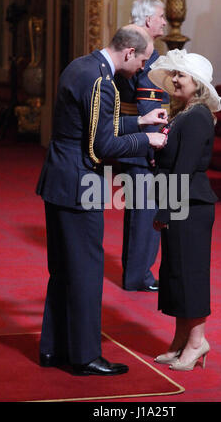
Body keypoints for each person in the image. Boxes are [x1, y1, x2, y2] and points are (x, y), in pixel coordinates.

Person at [36, 25, 168, 377]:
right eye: (142, 60)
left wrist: (140, 120)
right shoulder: (102, 82)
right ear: (128, 53)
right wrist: (148, 141)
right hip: (79, 185)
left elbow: (92, 126)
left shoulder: (81, 65)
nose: (142, 67)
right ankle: (83, 356)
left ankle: (53, 348)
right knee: (85, 272)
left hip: (59, 178)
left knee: (62, 270)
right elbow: (101, 146)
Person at [147, 49, 221, 371]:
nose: (174, 79)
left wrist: (165, 211)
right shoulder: (182, 112)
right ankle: (180, 340)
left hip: (190, 205)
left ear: (199, 84)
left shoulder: (199, 116)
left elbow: (184, 169)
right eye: (174, 74)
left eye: (182, 75)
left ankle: (197, 342)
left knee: (190, 275)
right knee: (175, 273)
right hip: (179, 203)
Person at [115, 0, 169, 292]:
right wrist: (155, 149)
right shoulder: (147, 52)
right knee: (145, 211)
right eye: (161, 17)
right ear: (148, 20)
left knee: (140, 209)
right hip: (142, 142)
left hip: (131, 138)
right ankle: (139, 276)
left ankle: (137, 272)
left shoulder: (129, 43)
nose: (164, 22)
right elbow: (148, 107)